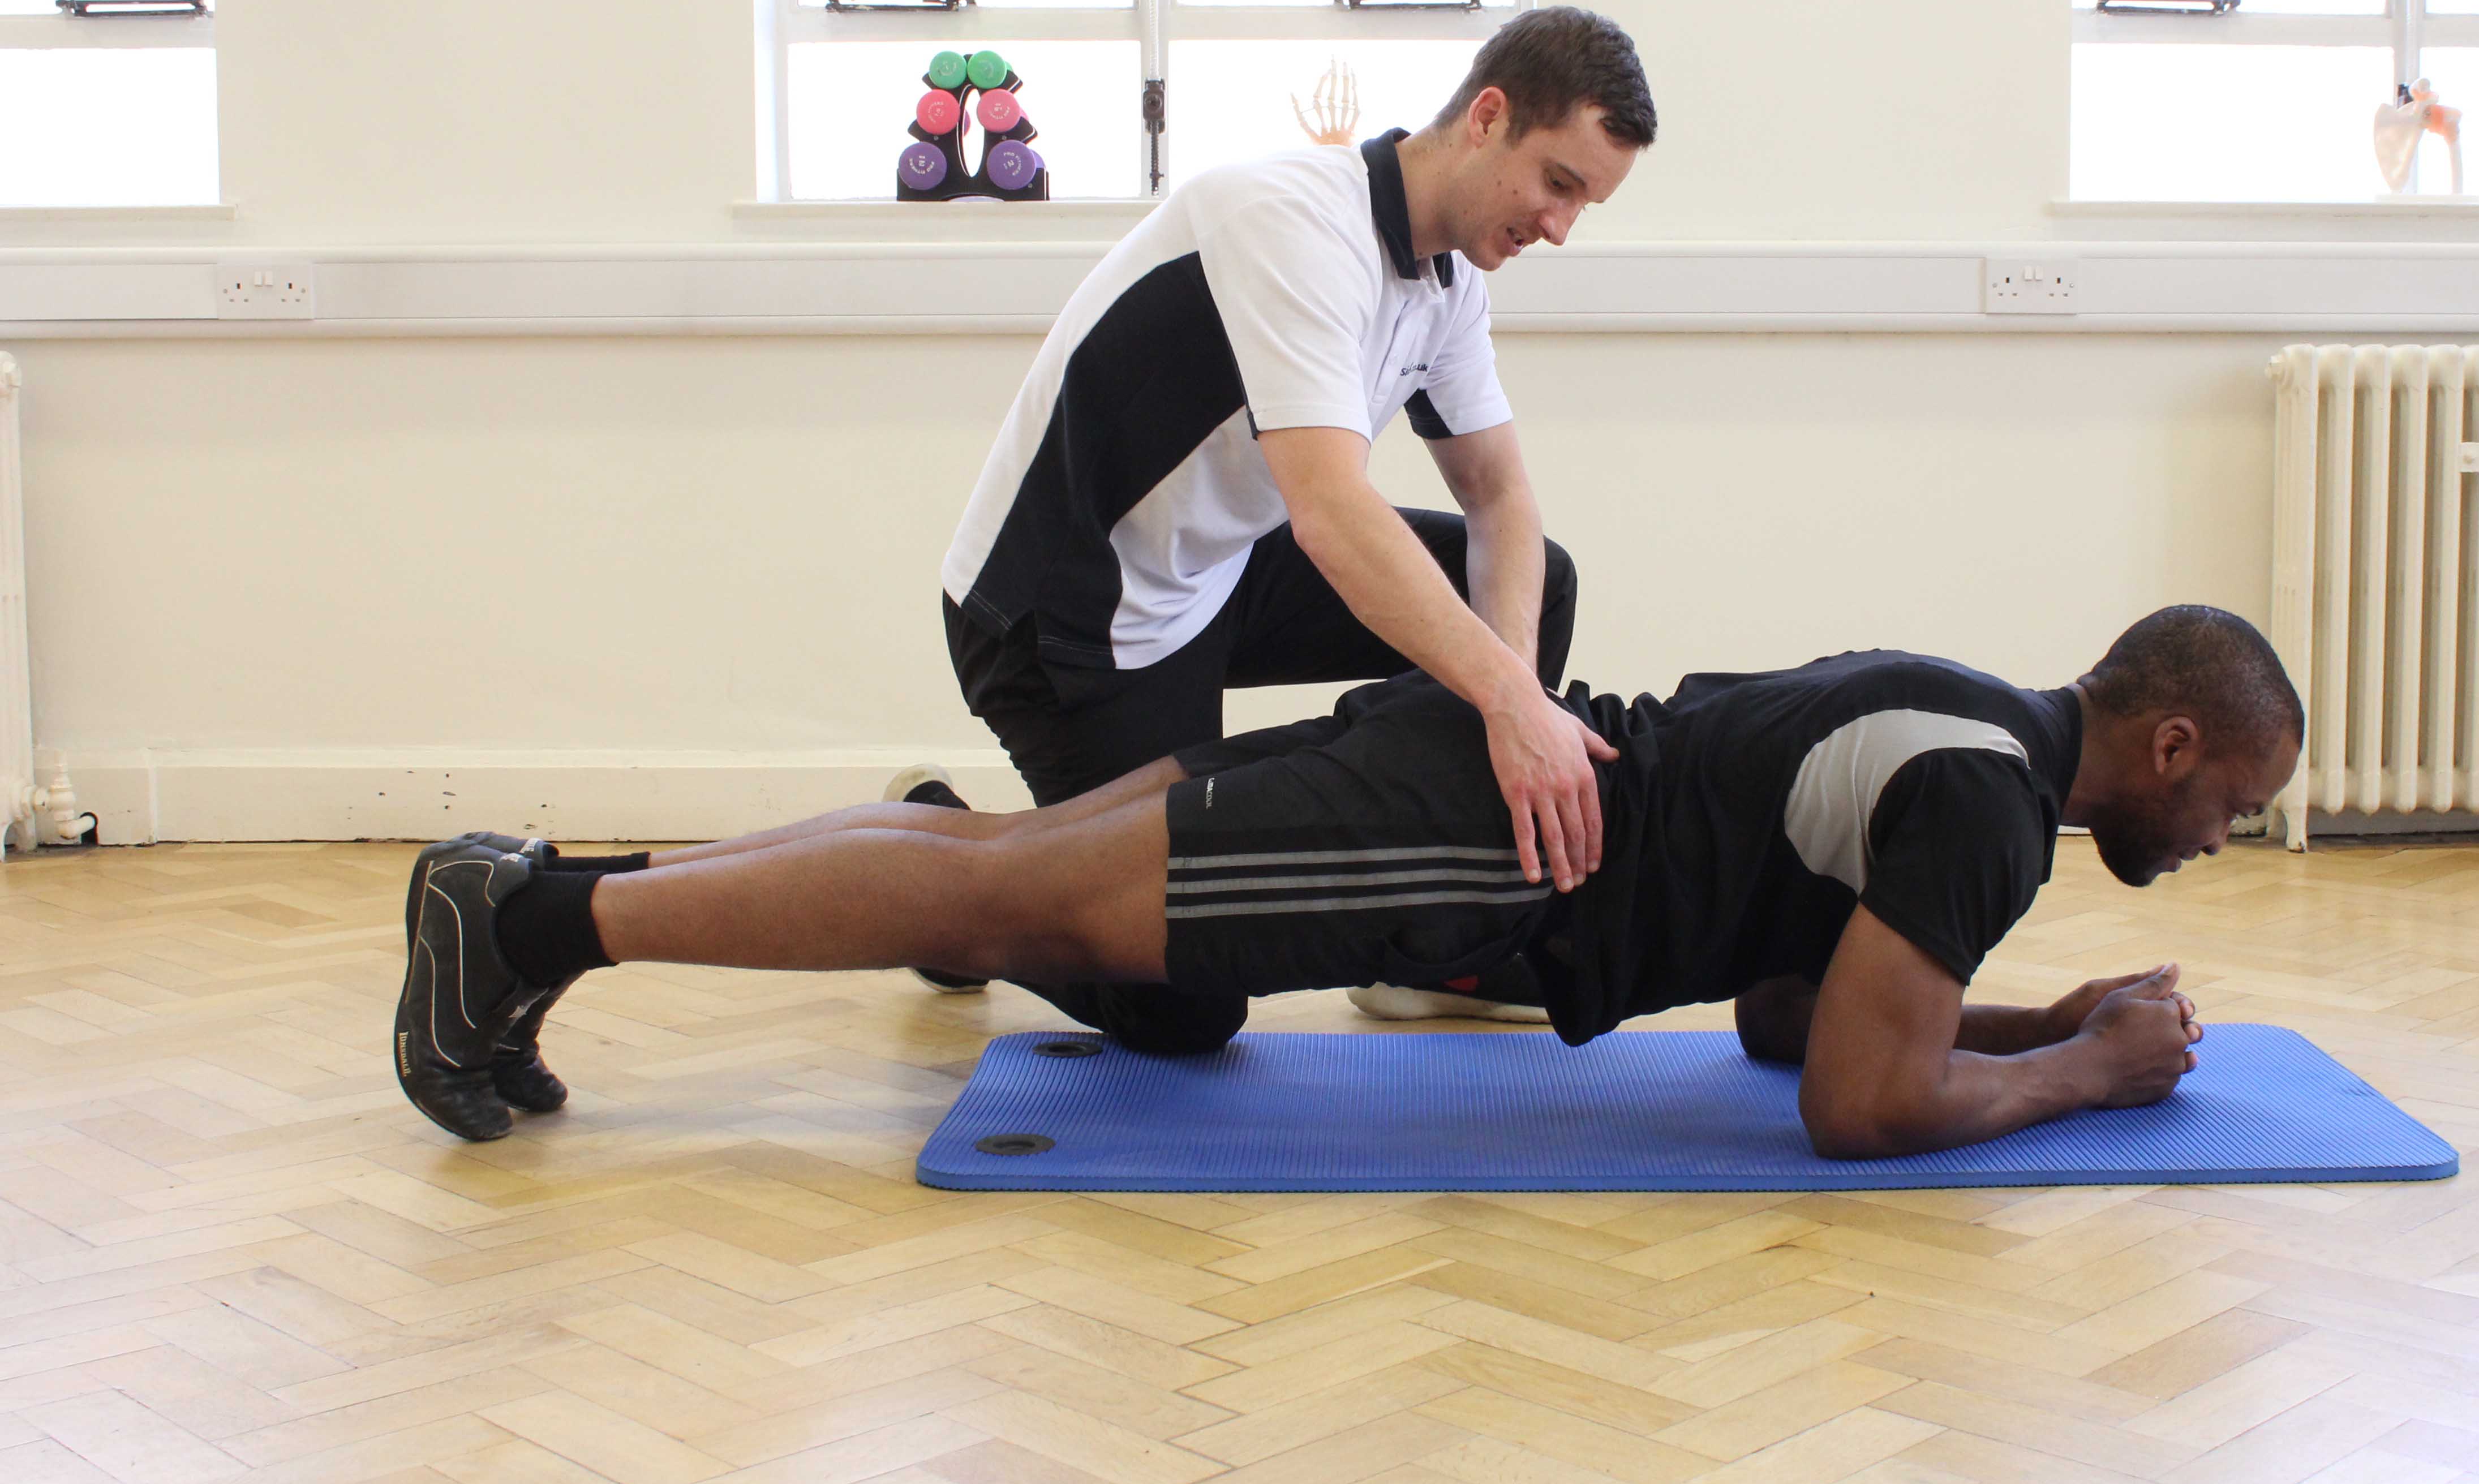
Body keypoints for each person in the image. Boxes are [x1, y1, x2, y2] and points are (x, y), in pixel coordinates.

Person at [393, 607, 2305, 1154]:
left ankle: (540, 906)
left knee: (995, 866)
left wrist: (2038, 1012)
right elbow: (1854, 1102)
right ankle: (529, 916)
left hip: (1448, 786)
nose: (2222, 835)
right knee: (998, 894)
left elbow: (1793, 1012)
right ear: (2165, 746)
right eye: (2235, 795)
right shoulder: (1983, 812)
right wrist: (2085, 1072)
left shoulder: (1957, 723)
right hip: (1461, 832)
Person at [920, 6, 1656, 1028]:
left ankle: (1437, 943)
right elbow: (1331, 513)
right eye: (1559, 184)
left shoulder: (1449, 279)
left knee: (1537, 590)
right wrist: (1509, 705)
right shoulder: (1293, 221)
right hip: (1065, 615)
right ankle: (934, 868)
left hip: (1213, 574)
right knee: (1188, 1012)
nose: (1562, 226)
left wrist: (1513, 693)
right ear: (1488, 118)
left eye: (1588, 204)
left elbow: (1500, 498)